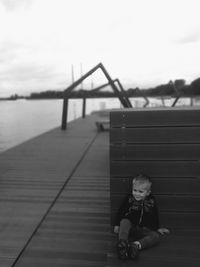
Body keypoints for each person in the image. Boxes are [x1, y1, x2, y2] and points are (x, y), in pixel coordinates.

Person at [114, 173, 169, 261]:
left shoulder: (151, 201)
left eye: (141, 191)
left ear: (148, 193)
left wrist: (157, 228)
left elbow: (155, 215)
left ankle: (136, 245)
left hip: (144, 229)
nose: (137, 194)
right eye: (135, 190)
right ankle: (122, 244)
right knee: (124, 221)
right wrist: (117, 224)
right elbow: (121, 211)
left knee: (156, 236)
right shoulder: (129, 198)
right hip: (130, 227)